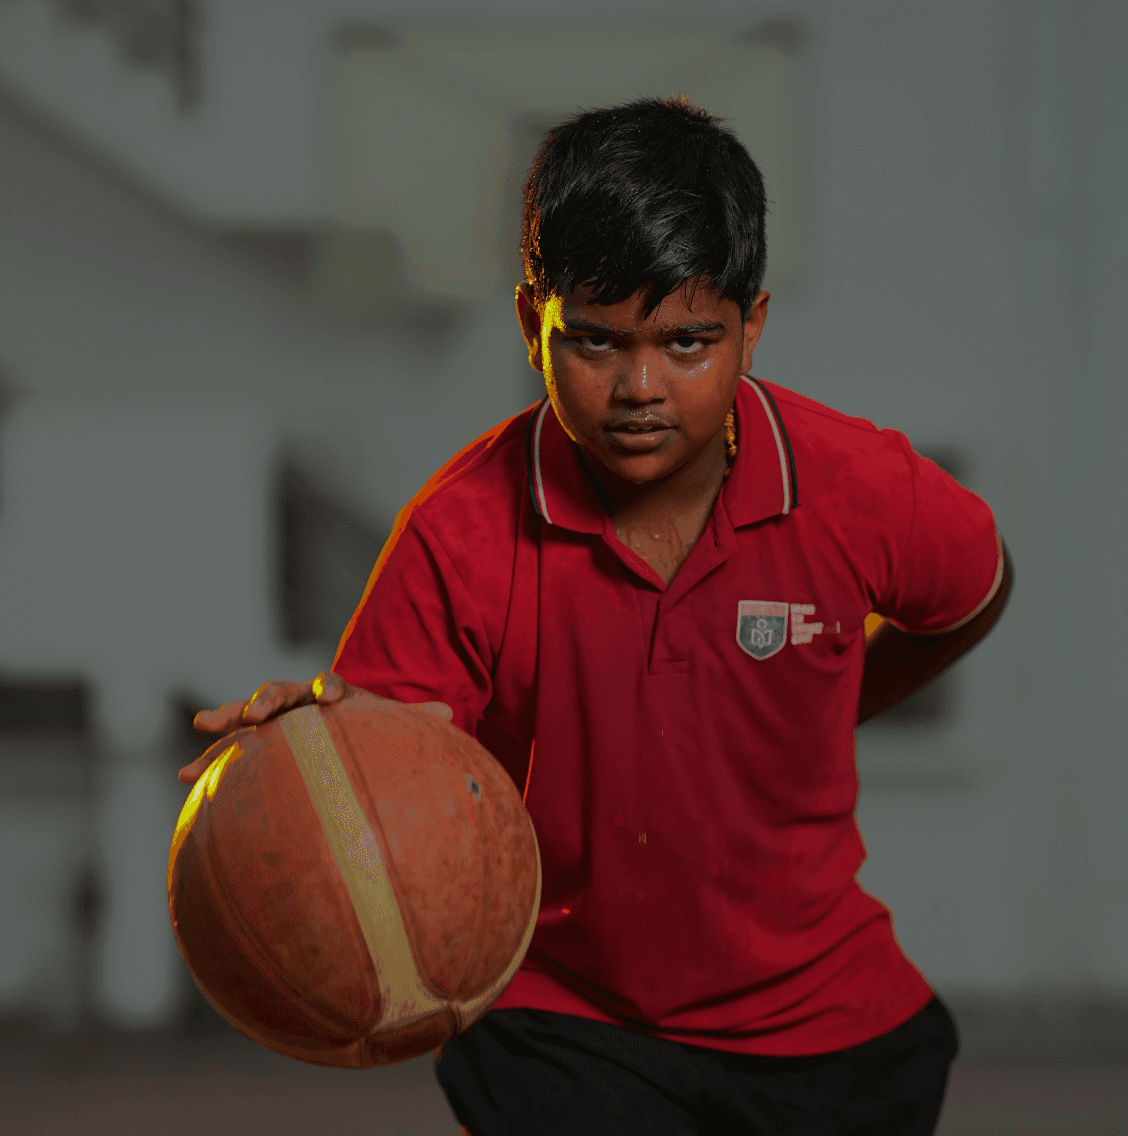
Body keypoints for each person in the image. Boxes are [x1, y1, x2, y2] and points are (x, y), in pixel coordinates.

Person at [184, 96, 1012, 1135]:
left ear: (751, 325)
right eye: (595, 341)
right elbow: (383, 769)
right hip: (570, 1014)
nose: (638, 386)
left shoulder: (858, 485)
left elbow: (973, 587)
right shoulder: (461, 531)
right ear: (534, 319)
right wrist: (299, 754)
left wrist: (847, 696)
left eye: (686, 341)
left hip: (822, 1015)